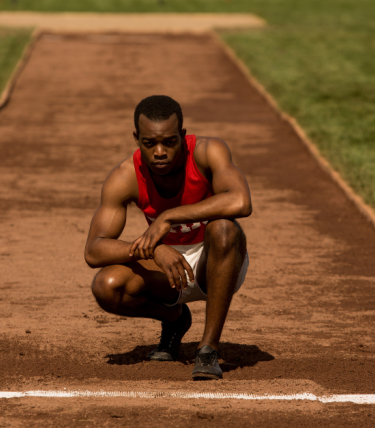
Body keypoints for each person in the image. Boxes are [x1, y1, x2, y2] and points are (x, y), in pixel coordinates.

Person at [84, 95, 252, 380]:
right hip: (165, 270)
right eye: (149, 144)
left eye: (169, 142)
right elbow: (94, 251)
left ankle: (208, 349)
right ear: (137, 139)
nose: (159, 152)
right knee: (107, 285)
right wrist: (154, 251)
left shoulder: (208, 151)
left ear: (183, 137)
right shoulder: (125, 176)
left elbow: (240, 201)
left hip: (217, 260)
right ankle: (175, 319)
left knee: (224, 228)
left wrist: (168, 216)